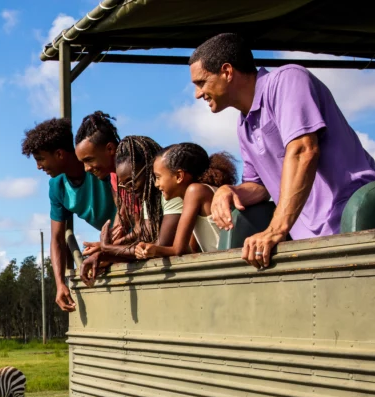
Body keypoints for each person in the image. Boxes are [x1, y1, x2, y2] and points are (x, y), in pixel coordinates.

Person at [189, 33, 375, 269]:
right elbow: (260, 187)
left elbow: (304, 150)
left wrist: (276, 229)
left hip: (359, 224)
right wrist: (229, 190)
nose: (197, 94)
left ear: (227, 71)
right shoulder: (243, 125)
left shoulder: (287, 80)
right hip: (310, 239)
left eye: (201, 82)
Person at [22, 117, 116, 311]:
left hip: (131, 234)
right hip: (114, 243)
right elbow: (57, 239)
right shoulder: (57, 187)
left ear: (59, 154)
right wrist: (60, 284)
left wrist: (106, 246)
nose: (39, 166)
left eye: (40, 159)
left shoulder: (99, 167)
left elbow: (127, 211)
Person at [81, 135, 182, 284]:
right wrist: (104, 255)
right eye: (123, 185)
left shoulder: (173, 195)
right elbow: (146, 241)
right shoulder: (148, 199)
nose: (128, 190)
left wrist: (107, 248)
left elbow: (159, 246)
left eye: (131, 182)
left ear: (148, 170)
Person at [136, 143, 238, 258]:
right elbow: (191, 249)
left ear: (179, 176)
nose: (156, 184)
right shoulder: (198, 193)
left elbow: (178, 250)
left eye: (158, 177)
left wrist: (154, 249)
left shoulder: (195, 191)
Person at [75, 111, 120, 190]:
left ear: (110, 149)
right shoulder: (114, 178)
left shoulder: (139, 173)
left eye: (89, 160)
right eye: (83, 162)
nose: (86, 169)